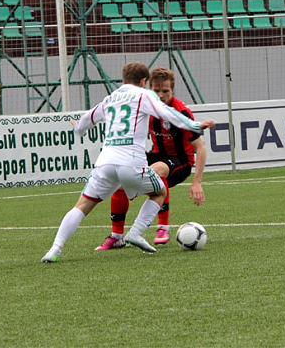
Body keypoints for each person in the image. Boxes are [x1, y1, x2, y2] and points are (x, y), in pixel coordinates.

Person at [41, 62, 215, 263]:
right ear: (143, 81)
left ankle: (54, 249)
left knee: (82, 205)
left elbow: (87, 120)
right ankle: (136, 232)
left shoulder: (110, 98)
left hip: (105, 163)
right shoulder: (144, 95)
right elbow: (167, 113)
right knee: (160, 193)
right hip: (130, 162)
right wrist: (195, 125)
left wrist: (77, 128)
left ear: (123, 80)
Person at [95, 67, 209, 251]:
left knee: (157, 170)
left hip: (181, 161)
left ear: (172, 90)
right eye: (156, 91)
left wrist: (197, 182)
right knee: (120, 178)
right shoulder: (147, 109)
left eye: (165, 91)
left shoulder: (181, 111)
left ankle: (163, 227)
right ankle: (117, 237)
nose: (161, 95)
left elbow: (201, 148)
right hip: (156, 155)